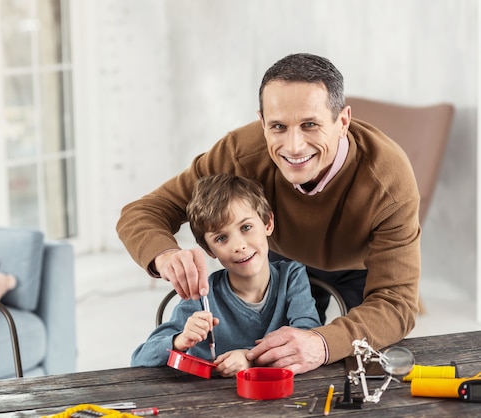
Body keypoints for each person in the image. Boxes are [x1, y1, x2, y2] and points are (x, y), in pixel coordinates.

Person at [117, 52, 421, 374]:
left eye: (310, 125)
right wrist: (165, 254)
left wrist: (322, 342)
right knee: (270, 367)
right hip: (277, 258)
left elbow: (396, 301)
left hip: (359, 268)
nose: (293, 147)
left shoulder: (389, 181)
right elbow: (143, 212)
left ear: (342, 121)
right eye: (278, 126)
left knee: (364, 371)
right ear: (262, 122)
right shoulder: (240, 152)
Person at [131, 174, 321, 377]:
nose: (239, 246)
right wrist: (180, 340)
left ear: (267, 223)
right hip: (211, 401)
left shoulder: (292, 276)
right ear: (209, 250)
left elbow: (306, 336)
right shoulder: (203, 294)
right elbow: (140, 359)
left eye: (246, 227)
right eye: (221, 238)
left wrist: (250, 357)